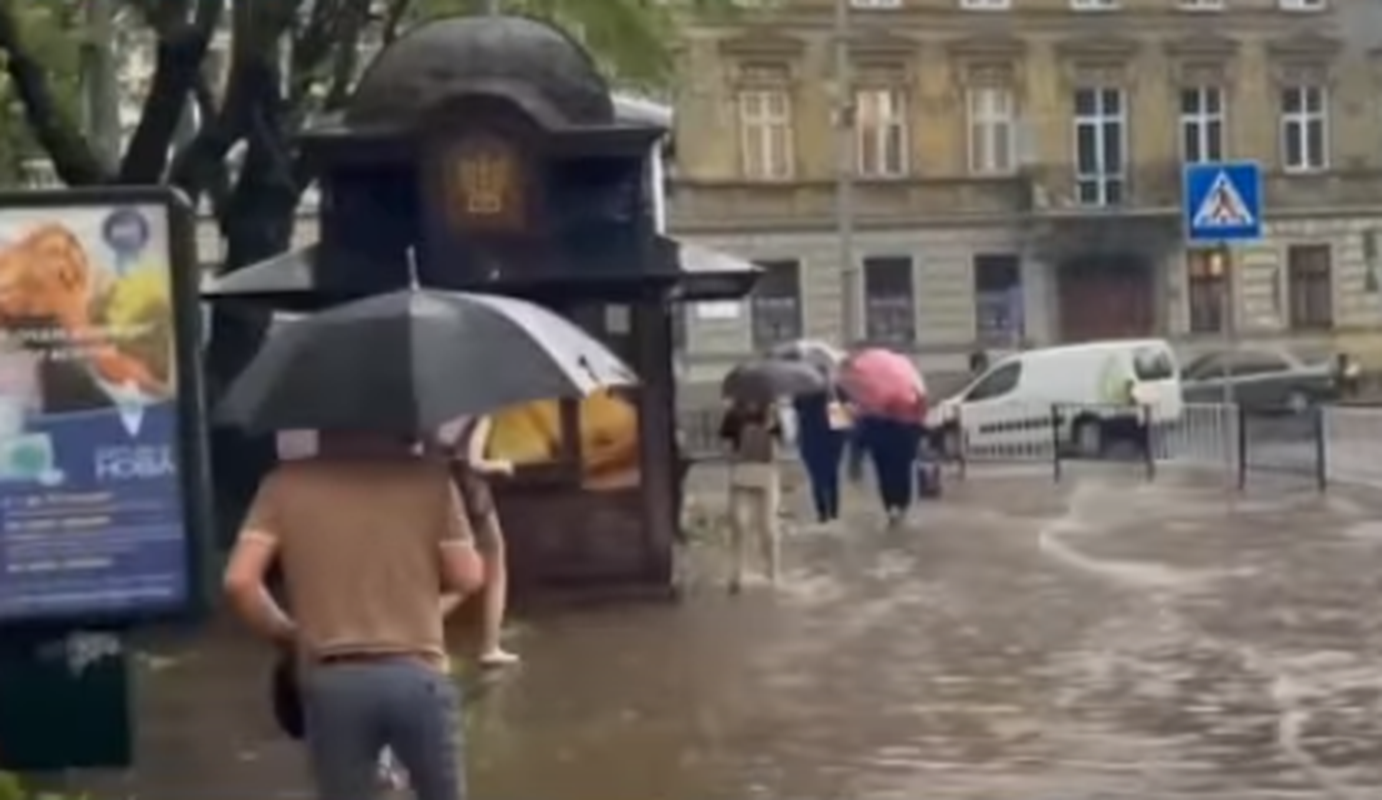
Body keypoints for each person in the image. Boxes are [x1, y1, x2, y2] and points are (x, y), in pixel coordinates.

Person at [224, 430, 485, 800]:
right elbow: (469, 576)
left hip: (333, 681)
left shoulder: (284, 484)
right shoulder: (430, 480)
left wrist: (288, 634)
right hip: (419, 675)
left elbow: (240, 582)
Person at [438, 415, 519, 668]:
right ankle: (490, 647)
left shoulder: (429, 409)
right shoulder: (478, 409)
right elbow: (474, 462)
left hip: (434, 489)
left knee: (451, 568)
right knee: (491, 565)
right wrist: (501, 465)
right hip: (470, 493)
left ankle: (420, 635)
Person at [718, 398, 782, 593]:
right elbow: (726, 446)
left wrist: (771, 429)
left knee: (767, 526)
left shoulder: (771, 414)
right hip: (742, 474)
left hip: (764, 474)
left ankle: (772, 571)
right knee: (738, 525)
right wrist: (734, 458)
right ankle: (735, 574)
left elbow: (778, 446)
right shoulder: (733, 416)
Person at [857, 389, 926, 527]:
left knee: (889, 476)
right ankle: (898, 508)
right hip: (895, 443)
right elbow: (917, 418)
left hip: (888, 443)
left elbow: (864, 422)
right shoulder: (905, 390)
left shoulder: (873, 394)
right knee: (898, 475)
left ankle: (894, 508)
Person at [792, 387, 849, 524]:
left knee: (817, 477)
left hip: (810, 440)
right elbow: (842, 425)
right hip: (832, 441)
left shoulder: (803, 393)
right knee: (832, 476)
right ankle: (834, 513)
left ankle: (822, 513)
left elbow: (797, 411)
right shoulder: (835, 392)